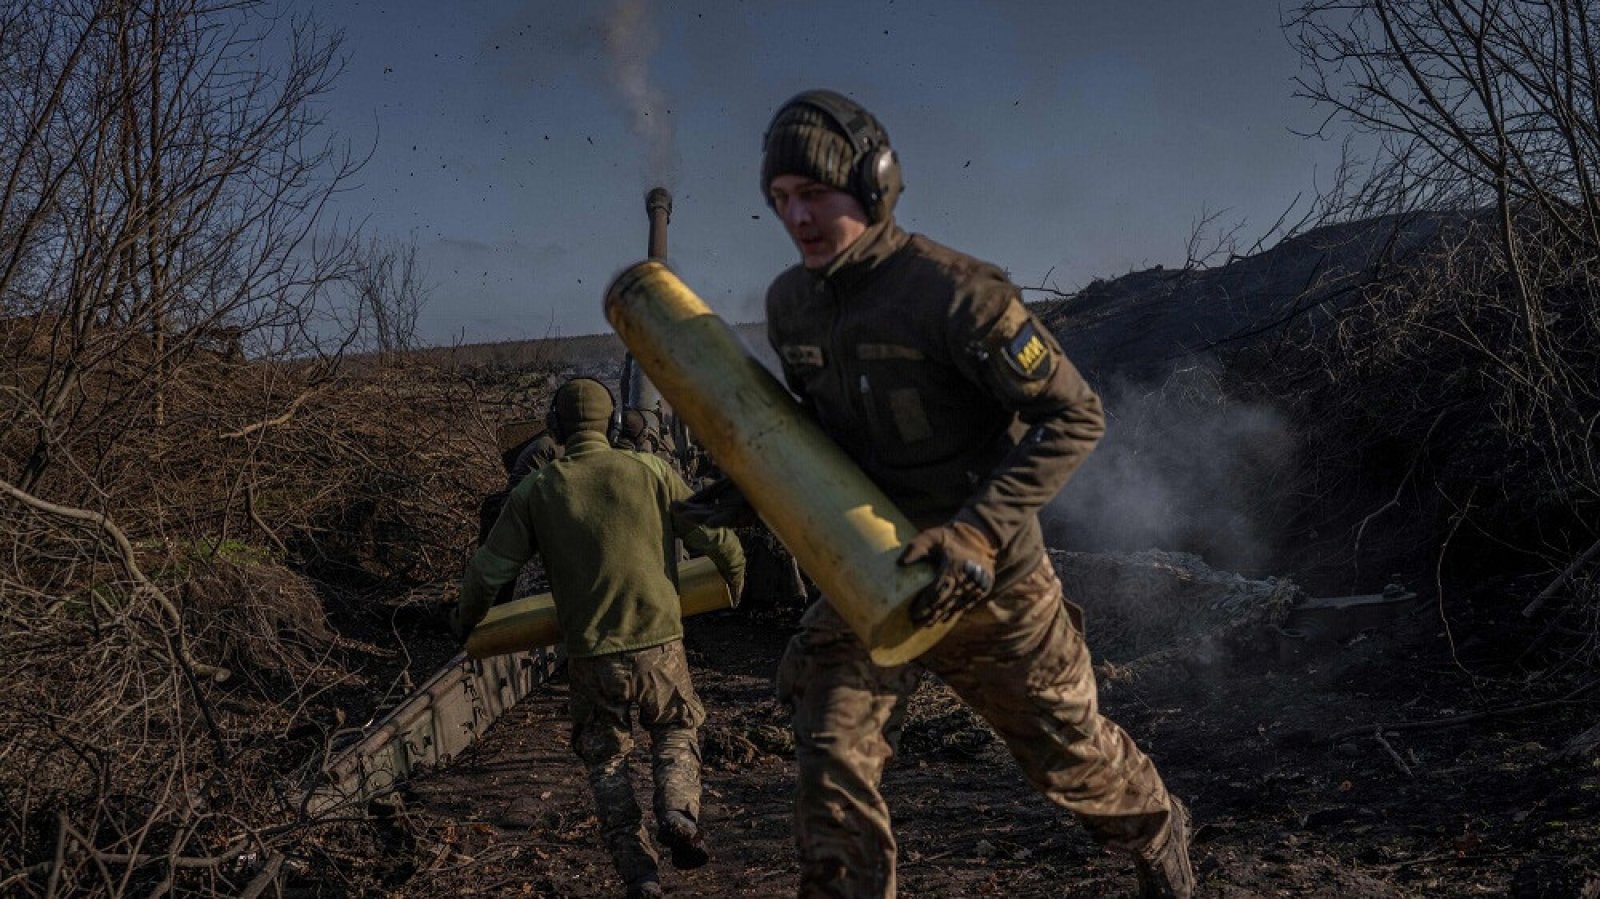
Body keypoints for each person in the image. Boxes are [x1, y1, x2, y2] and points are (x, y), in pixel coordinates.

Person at [682, 89, 1194, 898]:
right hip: (871, 572)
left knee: (1073, 763)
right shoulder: (791, 306)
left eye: (814, 193)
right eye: (780, 199)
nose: (797, 216)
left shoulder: (955, 292)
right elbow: (827, 436)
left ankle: (1159, 829)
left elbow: (1075, 415)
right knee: (831, 754)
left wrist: (977, 532)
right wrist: (751, 488)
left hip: (991, 582)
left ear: (875, 183)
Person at [453, 377, 747, 899]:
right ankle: (678, 813)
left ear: (555, 428)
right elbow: (716, 536)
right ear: (611, 425)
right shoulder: (652, 470)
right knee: (675, 730)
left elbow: (487, 573)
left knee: (607, 760)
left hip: (590, 655)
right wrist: (734, 578)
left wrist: (467, 624)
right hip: (659, 644)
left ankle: (640, 874)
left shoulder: (536, 490)